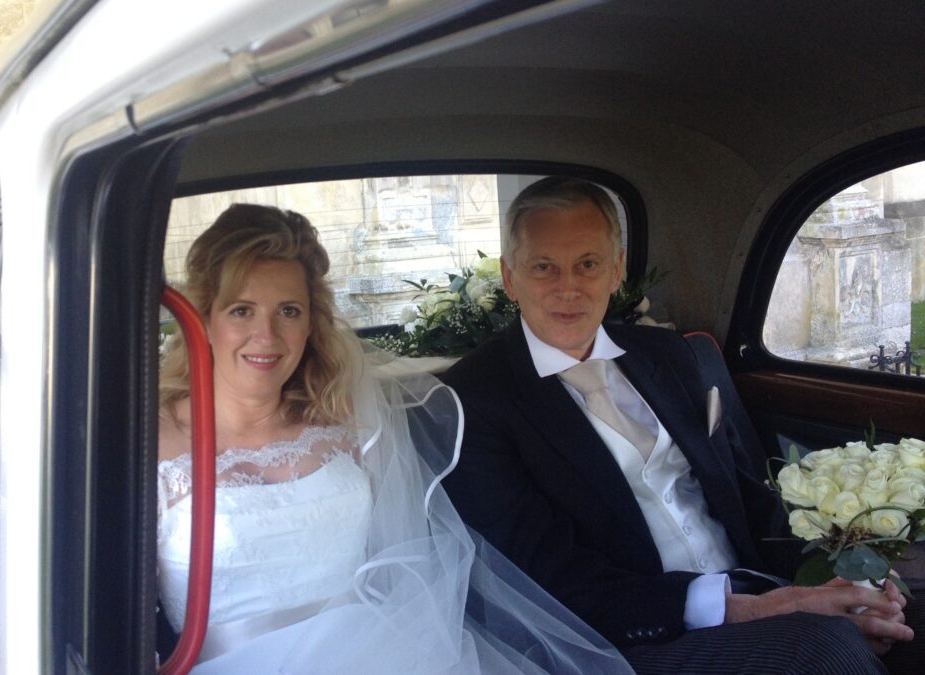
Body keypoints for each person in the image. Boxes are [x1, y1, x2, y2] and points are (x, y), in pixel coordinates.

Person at [440, 177, 922, 674]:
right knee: (826, 650)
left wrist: (840, 575)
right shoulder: (474, 399)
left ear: (616, 270)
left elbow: (746, 494)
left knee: (906, 618)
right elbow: (540, 574)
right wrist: (758, 609)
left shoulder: (668, 356)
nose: (569, 288)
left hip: (759, 583)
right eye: (543, 267)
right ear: (510, 277)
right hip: (631, 634)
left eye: (588, 264)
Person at [155, 203, 634, 673]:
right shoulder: (143, 444)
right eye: (241, 310)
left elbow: (410, 565)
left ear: (310, 324)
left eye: (289, 311)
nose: (267, 335)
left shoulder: (349, 419)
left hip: (383, 652)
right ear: (203, 319)